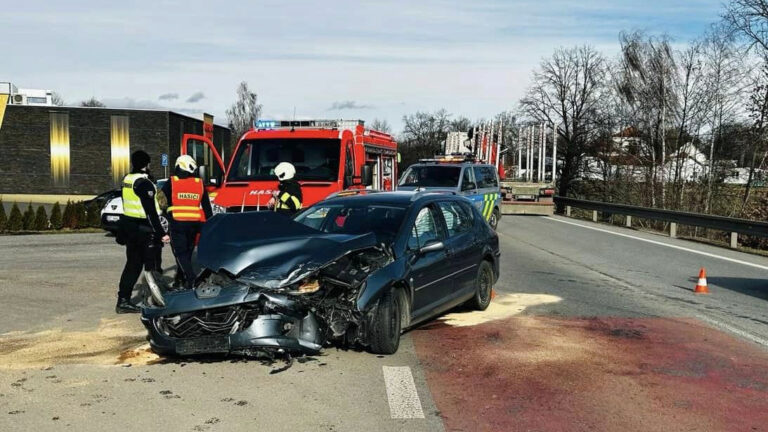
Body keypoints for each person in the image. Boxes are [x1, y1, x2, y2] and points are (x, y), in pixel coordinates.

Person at [116, 150, 169, 313]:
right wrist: (162, 233)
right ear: (146, 164)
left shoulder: (127, 179)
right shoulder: (143, 183)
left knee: (132, 265)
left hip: (129, 226)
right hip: (142, 229)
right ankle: (155, 298)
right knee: (149, 264)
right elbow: (150, 212)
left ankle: (123, 299)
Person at [160, 155, 213, 290]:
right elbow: (207, 207)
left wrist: (165, 215)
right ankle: (180, 280)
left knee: (180, 254)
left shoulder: (172, 181)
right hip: (194, 224)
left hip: (177, 223)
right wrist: (211, 225)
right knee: (187, 254)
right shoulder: (198, 183)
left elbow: (160, 200)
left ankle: (192, 279)